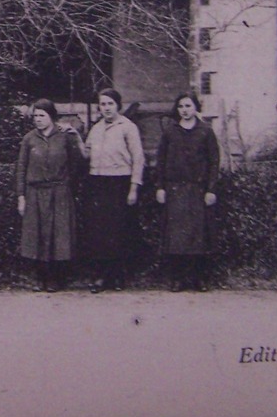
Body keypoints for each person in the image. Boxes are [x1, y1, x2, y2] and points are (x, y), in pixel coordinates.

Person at [15, 98, 85, 292]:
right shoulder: (29, 139)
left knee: (59, 235)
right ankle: (40, 277)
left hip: (59, 192)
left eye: (42, 115)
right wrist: (21, 196)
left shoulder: (64, 137)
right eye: (35, 116)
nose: (37, 119)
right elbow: (21, 168)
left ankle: (56, 278)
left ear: (52, 117)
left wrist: (66, 185)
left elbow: (76, 164)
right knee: (37, 235)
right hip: (35, 193)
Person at [154, 91, 222, 291]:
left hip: (197, 190)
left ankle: (198, 278)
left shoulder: (205, 131)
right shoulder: (170, 131)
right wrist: (160, 187)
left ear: (195, 107)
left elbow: (214, 162)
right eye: (181, 107)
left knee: (197, 236)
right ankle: (178, 279)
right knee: (176, 237)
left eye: (188, 106)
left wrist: (211, 190)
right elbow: (161, 161)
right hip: (175, 189)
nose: (184, 110)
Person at [80, 87, 145, 292]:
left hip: (119, 183)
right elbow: (86, 155)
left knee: (118, 231)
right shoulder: (96, 128)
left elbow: (138, 159)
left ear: (118, 105)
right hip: (98, 183)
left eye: (110, 104)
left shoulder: (128, 127)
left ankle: (117, 276)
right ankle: (100, 276)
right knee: (99, 231)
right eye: (103, 104)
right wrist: (74, 136)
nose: (106, 108)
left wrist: (134, 187)